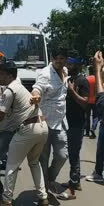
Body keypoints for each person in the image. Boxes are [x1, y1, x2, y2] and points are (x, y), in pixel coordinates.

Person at [0, 62, 48, 205]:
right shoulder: (20, 87)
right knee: (34, 163)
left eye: (0, 74)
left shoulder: (9, 90)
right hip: (42, 126)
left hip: (28, 128)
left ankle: (6, 200)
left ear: (9, 75)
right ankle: (43, 197)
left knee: (11, 165)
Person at [31, 47, 69, 192]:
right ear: (52, 58)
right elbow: (37, 88)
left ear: (66, 59)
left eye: (62, 58)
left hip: (60, 122)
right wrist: (35, 95)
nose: (59, 61)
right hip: (45, 122)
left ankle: (50, 179)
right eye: (56, 58)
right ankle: (44, 190)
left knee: (62, 155)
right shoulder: (45, 74)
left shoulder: (65, 71)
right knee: (43, 158)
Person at [57, 53, 89, 200]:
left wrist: (72, 91)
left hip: (76, 123)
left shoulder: (82, 81)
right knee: (72, 153)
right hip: (67, 122)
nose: (67, 66)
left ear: (77, 65)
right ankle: (74, 182)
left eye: (70, 64)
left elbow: (85, 103)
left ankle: (73, 186)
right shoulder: (70, 79)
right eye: (67, 64)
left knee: (74, 154)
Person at [85, 51, 104, 183]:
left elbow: (101, 100)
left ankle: (98, 172)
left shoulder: (89, 79)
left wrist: (98, 69)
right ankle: (98, 171)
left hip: (92, 103)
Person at [85, 65, 98, 139]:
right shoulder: (97, 80)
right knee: (95, 116)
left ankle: (86, 132)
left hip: (87, 101)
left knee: (87, 116)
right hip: (95, 100)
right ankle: (93, 128)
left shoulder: (86, 79)